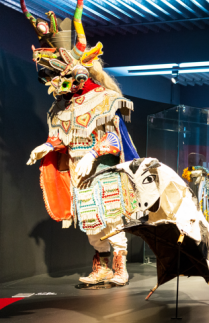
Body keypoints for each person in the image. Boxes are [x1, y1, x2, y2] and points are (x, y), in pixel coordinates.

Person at [23, 0, 139, 286]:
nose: (59, 84)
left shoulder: (105, 99)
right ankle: (102, 268)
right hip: (78, 168)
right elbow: (61, 138)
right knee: (89, 220)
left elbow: (114, 138)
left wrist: (94, 155)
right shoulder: (63, 108)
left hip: (103, 169)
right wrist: (47, 147)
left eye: (62, 77)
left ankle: (120, 266)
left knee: (110, 216)